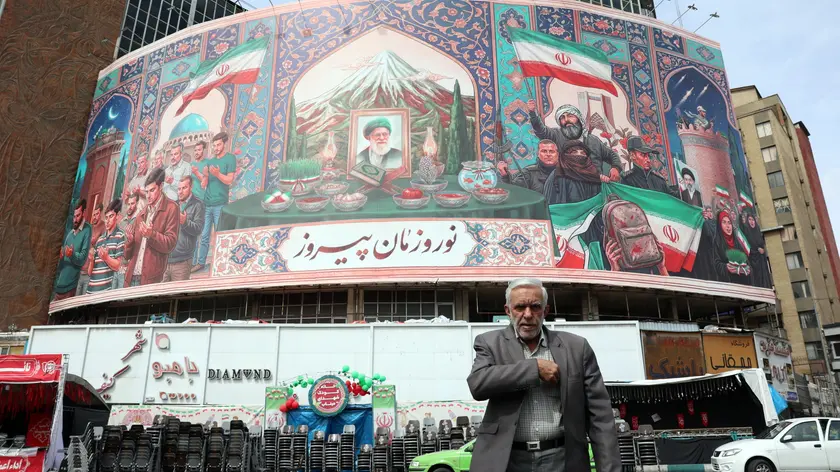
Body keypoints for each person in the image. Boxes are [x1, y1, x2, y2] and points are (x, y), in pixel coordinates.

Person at [467, 278, 620, 472]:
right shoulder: (489, 343)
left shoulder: (576, 348)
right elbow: (478, 384)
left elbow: (600, 417)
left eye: (535, 307)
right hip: (507, 461)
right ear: (508, 311)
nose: (528, 314)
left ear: (545, 311)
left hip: (562, 460)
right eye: (520, 307)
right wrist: (534, 369)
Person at [527, 99, 621, 182]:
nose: (566, 120)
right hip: (568, 186)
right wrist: (533, 114)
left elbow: (612, 154)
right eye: (562, 118)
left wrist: (615, 167)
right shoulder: (556, 135)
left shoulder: (593, 140)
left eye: (570, 116)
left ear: (579, 118)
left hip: (595, 185)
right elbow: (541, 130)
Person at [124, 168, 180, 286]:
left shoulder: (171, 208)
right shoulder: (141, 214)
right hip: (131, 277)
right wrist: (130, 241)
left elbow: (170, 244)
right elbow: (127, 255)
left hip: (151, 280)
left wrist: (151, 235)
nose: (148, 195)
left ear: (161, 186)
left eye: (152, 190)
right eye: (146, 191)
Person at [195, 132, 236, 273]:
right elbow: (205, 181)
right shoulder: (210, 161)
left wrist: (218, 174)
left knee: (220, 234)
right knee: (204, 235)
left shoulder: (230, 158)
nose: (216, 148)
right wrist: (204, 177)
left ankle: (221, 262)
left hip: (220, 204)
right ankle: (201, 263)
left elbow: (229, 180)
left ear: (224, 144)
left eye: (218, 145)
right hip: (207, 204)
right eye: (214, 145)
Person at [164, 176, 205, 282]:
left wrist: (185, 222)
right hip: (166, 260)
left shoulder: (198, 204)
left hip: (182, 262)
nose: (180, 191)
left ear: (191, 187)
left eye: (184, 188)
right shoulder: (173, 205)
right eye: (179, 189)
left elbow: (198, 229)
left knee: (178, 292)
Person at [544, 140, 606, 205]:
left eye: (582, 153)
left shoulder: (593, 176)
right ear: (565, 156)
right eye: (574, 152)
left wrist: (604, 181)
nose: (579, 155)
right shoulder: (557, 176)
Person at [54, 199, 92, 300]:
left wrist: (72, 255)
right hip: (59, 287)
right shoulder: (69, 234)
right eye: (74, 216)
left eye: (78, 216)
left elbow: (82, 258)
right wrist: (60, 258)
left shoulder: (87, 229)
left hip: (71, 288)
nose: (75, 220)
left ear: (84, 213)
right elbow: (60, 266)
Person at [87, 199, 125, 294]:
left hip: (103, 292)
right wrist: (91, 260)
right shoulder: (100, 240)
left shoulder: (120, 236)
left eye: (111, 216)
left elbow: (118, 266)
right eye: (106, 217)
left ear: (117, 216)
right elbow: (90, 273)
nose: (107, 221)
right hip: (90, 291)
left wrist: (106, 258)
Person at [712, 210, 751, 285]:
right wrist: (726, 267)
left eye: (729, 222)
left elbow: (746, 261)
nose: (728, 226)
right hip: (728, 285)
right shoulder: (717, 242)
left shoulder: (737, 241)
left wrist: (747, 268)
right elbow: (715, 264)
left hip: (743, 283)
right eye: (724, 222)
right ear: (719, 225)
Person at [78, 202, 105, 295]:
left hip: (93, 269)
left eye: (97, 214)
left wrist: (95, 242)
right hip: (83, 268)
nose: (95, 217)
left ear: (101, 213)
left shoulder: (103, 227)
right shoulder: (90, 226)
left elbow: (104, 246)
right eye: (93, 214)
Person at [742, 209, 772, 288]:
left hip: (762, 261)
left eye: (753, 220)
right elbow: (747, 247)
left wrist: (762, 250)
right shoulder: (747, 233)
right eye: (749, 219)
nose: (752, 222)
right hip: (753, 261)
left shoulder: (758, 231)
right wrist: (757, 250)